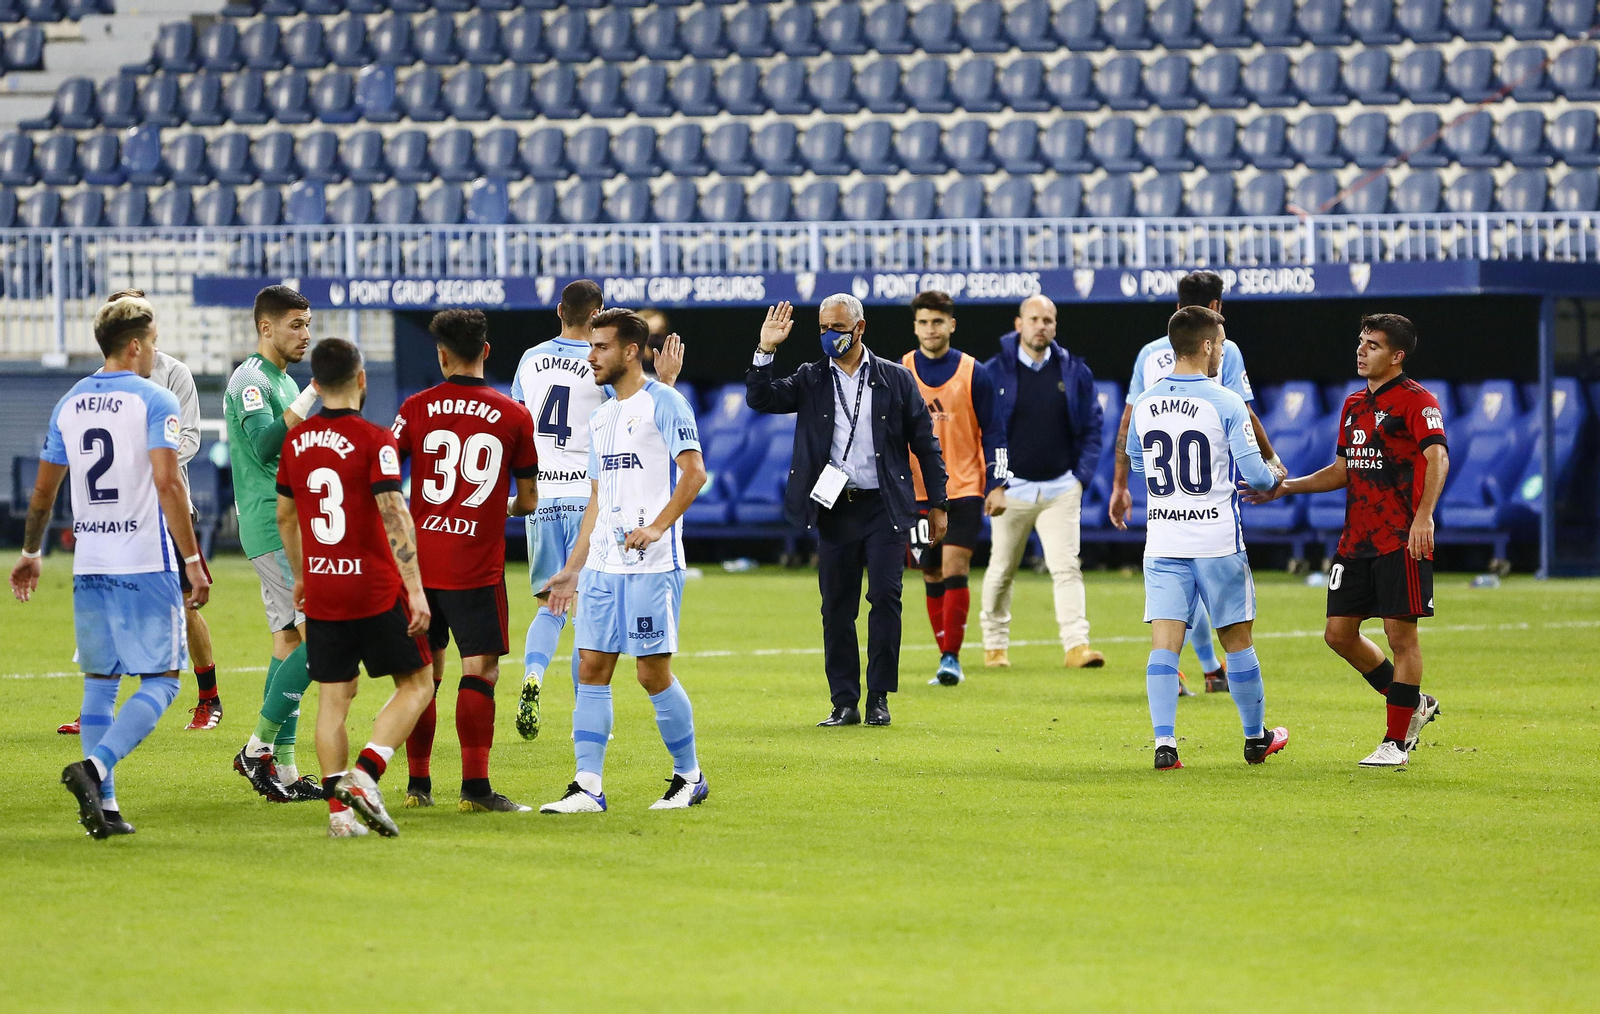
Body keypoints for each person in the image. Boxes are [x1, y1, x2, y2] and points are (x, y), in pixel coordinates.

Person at [10, 293, 212, 838]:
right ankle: (95, 769)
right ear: (134, 344)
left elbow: (43, 493)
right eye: (151, 342)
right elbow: (169, 484)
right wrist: (193, 560)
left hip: (89, 562)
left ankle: (108, 807)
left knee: (100, 683)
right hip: (145, 560)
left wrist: (31, 553)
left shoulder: (69, 403)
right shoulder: (153, 400)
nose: (154, 352)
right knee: (165, 681)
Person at [1242, 314, 1448, 769]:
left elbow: (1437, 456)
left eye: (1372, 344)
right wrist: (1285, 487)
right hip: (1357, 539)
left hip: (1402, 538)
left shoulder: (1418, 402)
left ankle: (1396, 742)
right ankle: (1411, 703)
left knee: (1400, 635)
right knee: (1338, 634)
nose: (1361, 350)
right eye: (1361, 341)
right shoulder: (1353, 404)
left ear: (1397, 356)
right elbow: (1342, 470)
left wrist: (1424, 517)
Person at [537, 309, 709, 813]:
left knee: (651, 674)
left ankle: (689, 776)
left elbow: (694, 474)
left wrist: (658, 526)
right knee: (591, 668)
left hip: (652, 566)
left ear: (631, 351)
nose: (591, 357)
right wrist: (573, 566)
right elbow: (597, 498)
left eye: (602, 348)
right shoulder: (602, 417)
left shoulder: (667, 402)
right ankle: (587, 786)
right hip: (603, 567)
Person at [747, 298, 947, 728]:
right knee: (836, 608)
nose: (827, 334)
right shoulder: (811, 376)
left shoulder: (896, 378)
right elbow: (760, 398)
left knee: (886, 599)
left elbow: (925, 444)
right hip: (834, 508)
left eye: (835, 326)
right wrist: (765, 351)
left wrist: (938, 503)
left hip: (886, 506)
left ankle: (879, 697)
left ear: (860, 328)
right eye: (821, 326)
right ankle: (844, 701)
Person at [275, 338, 435, 837]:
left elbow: (285, 516)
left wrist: (301, 575)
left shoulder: (294, 442)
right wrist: (415, 589)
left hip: (322, 589)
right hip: (373, 587)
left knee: (333, 699)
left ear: (316, 385)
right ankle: (366, 773)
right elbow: (394, 513)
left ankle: (339, 817)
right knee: (417, 683)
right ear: (362, 379)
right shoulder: (375, 440)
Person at [510, 281, 681, 741]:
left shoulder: (530, 359)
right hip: (591, 498)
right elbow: (637, 414)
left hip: (543, 496)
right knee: (587, 616)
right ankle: (580, 723)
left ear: (559, 311)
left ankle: (533, 674)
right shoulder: (600, 363)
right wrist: (666, 383)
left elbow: (519, 424)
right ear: (597, 313)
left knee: (550, 603)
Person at [1124, 306, 1288, 771]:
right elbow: (1256, 474)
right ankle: (1255, 739)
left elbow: (1138, 463)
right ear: (1209, 346)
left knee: (1164, 643)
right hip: (1216, 540)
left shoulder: (1149, 401)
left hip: (1163, 540)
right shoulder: (1225, 402)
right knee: (1237, 640)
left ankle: (1164, 744)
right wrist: (1275, 473)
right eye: (1220, 344)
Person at [392, 309, 541, 813]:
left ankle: (418, 788)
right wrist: (495, 505)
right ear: (487, 351)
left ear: (441, 355)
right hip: (476, 567)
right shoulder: (515, 415)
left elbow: (386, 476)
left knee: (423, 676)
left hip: (420, 566)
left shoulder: (414, 408)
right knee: (479, 671)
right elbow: (529, 500)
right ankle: (476, 790)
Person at [55, 289, 222, 735]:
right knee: (107, 603)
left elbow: (189, 439)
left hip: (163, 509)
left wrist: (148, 462)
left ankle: (210, 698)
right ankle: (98, 705)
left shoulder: (174, 374)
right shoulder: (96, 382)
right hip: (117, 516)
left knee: (185, 605)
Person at [226, 285, 326, 803]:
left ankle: (283, 770)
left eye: (308, 325)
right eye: (295, 325)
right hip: (273, 525)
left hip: (290, 522)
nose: (305, 334)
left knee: (288, 641)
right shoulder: (251, 379)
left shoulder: (282, 382)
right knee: (318, 638)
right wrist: (313, 396)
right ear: (266, 328)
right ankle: (256, 749)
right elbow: (266, 445)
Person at [980, 295, 1105, 670]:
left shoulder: (1074, 371)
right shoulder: (994, 371)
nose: (1041, 326)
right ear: (1018, 324)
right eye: (1034, 319)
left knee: (1067, 567)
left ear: (1055, 326)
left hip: (1059, 489)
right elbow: (986, 431)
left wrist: (1080, 479)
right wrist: (994, 482)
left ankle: (1076, 646)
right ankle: (994, 647)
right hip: (1010, 489)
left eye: (1048, 320)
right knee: (1001, 569)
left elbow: (1093, 427)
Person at [902, 290, 1009, 687]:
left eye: (937, 321)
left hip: (963, 487)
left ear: (952, 324)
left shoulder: (974, 372)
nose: (931, 329)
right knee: (930, 574)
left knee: (954, 566)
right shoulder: (901, 371)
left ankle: (951, 658)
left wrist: (998, 483)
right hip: (915, 492)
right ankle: (944, 653)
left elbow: (995, 432)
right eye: (924, 322)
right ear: (915, 327)